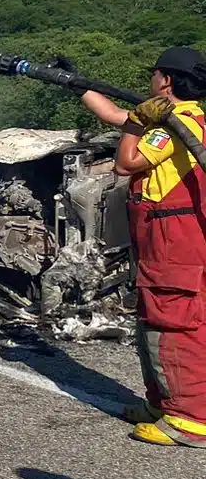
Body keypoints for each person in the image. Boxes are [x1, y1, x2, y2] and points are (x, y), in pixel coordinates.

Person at [73, 47, 206, 445]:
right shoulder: (185, 117)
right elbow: (118, 117)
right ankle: (163, 402)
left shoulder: (178, 124)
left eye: (154, 75)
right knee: (153, 317)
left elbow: (125, 163)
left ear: (166, 80)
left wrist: (134, 124)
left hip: (174, 239)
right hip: (163, 237)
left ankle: (191, 420)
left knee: (175, 321)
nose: (151, 80)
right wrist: (75, 83)